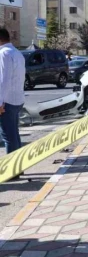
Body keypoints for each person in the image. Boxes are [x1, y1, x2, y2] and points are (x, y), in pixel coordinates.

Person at [0, 28, 26, 179]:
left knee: (8, 136)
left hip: (7, 101)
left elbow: (4, 80)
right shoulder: (17, 53)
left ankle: (11, 171)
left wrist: (0, 102)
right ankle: (18, 167)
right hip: (17, 99)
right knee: (14, 134)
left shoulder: (4, 54)